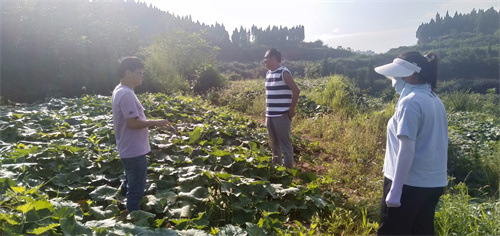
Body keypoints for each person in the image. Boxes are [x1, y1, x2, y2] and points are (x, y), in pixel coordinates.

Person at [374, 51, 448, 235]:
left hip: (409, 184)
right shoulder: (434, 100)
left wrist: (395, 190)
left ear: (409, 75)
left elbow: (407, 150)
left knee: (392, 231)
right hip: (432, 184)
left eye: (395, 75)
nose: (393, 80)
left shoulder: (410, 102)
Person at [112, 56, 170, 213]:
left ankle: (123, 206)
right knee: (136, 189)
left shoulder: (121, 90)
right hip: (133, 150)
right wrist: (155, 122)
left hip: (127, 148)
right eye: (139, 72)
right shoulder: (126, 94)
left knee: (130, 180)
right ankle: (133, 218)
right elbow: (132, 123)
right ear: (128, 72)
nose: (141, 76)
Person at [263, 48, 300, 168]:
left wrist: (291, 110)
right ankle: (277, 169)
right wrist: (266, 112)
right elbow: (269, 95)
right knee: (274, 145)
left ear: (274, 58)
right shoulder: (268, 74)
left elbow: (296, 90)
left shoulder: (284, 73)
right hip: (270, 116)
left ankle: (288, 172)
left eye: (266, 58)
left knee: (285, 145)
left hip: (281, 116)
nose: (264, 61)